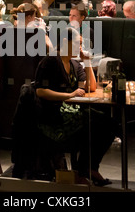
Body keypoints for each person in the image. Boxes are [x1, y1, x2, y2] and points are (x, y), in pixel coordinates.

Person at [34, 27, 117, 185]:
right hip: (53, 115)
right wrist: (70, 95)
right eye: (78, 44)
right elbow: (41, 91)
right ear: (65, 42)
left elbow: (91, 87)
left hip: (71, 111)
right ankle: (83, 170)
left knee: (109, 124)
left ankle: (88, 168)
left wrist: (87, 62)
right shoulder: (51, 61)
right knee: (94, 123)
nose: (80, 48)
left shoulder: (74, 64)